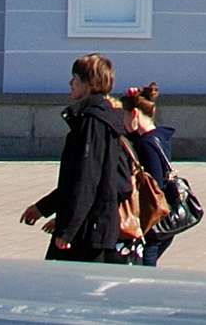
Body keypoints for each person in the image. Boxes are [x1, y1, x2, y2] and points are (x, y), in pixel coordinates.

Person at [19, 54, 135, 264]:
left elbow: (86, 180)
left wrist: (68, 230)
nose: (71, 83)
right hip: (95, 228)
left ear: (90, 84)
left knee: (67, 291)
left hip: (88, 234)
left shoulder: (93, 122)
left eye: (75, 78)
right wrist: (44, 208)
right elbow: (78, 181)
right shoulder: (104, 117)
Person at [119, 84, 187, 267]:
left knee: (145, 268)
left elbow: (154, 185)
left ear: (134, 114)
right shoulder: (158, 138)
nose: (122, 121)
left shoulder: (147, 144)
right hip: (164, 217)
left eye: (124, 115)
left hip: (154, 221)